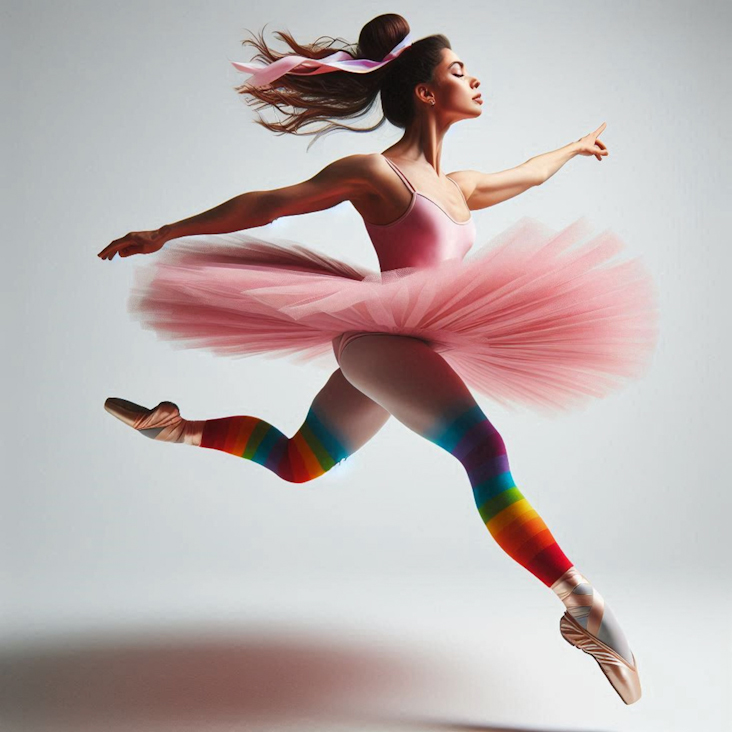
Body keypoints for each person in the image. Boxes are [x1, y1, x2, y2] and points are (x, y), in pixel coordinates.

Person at [98, 13, 657, 705]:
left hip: (404, 351)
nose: (473, 78)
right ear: (423, 92)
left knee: (303, 461)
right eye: (457, 70)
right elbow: (269, 205)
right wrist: (166, 232)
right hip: (379, 339)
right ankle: (584, 604)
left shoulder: (464, 187)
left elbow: (529, 175)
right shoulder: (377, 173)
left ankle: (175, 428)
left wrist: (573, 147)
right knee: (485, 450)